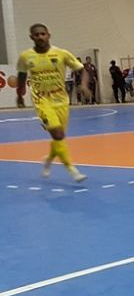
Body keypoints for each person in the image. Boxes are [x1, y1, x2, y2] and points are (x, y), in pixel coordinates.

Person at [12, 24, 87, 182]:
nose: (40, 37)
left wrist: (84, 84)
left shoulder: (61, 53)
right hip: (41, 100)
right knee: (58, 134)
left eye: (43, 34)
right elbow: (22, 76)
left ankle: (48, 160)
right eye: (36, 34)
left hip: (61, 99)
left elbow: (82, 69)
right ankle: (72, 169)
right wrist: (20, 95)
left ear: (48, 35)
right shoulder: (26, 56)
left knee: (59, 137)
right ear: (31, 37)